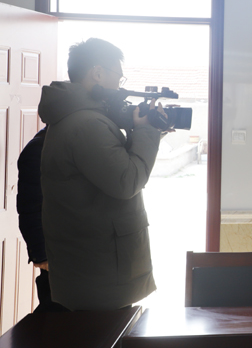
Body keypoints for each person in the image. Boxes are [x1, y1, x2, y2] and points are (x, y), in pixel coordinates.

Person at [38, 38, 166, 311]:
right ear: (97, 73)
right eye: (118, 76)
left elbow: (110, 167)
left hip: (93, 267)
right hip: (100, 273)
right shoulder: (88, 124)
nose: (119, 85)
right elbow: (127, 181)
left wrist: (142, 132)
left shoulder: (78, 117)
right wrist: (147, 131)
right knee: (100, 334)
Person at [16, 128, 68, 312]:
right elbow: (30, 205)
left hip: (79, 251)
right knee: (56, 313)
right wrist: (41, 253)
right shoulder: (40, 147)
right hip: (56, 254)